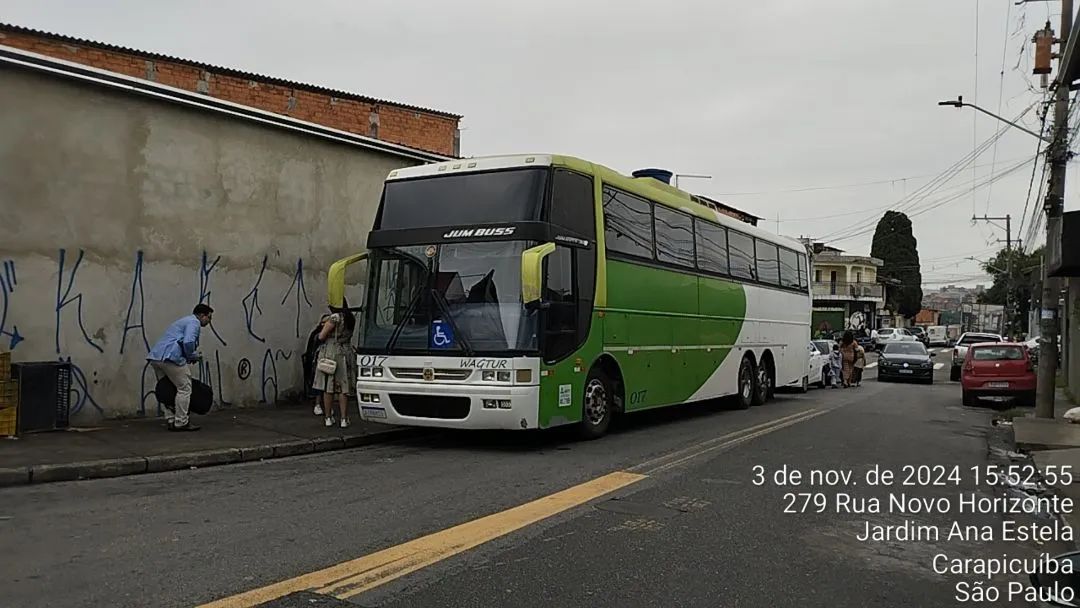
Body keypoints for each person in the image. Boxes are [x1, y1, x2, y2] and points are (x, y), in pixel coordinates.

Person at [147, 304, 213, 431]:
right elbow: (188, 342)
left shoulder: (184, 321)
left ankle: (171, 419)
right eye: (208, 318)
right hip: (170, 358)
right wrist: (191, 356)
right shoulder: (194, 322)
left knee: (166, 389)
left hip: (157, 357)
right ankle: (181, 422)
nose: (209, 321)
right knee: (185, 387)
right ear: (201, 315)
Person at [313, 300, 358, 428]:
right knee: (344, 388)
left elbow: (322, 336)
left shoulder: (334, 318)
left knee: (329, 387)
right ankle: (344, 418)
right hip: (346, 351)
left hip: (332, 352)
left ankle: (328, 417)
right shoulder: (350, 318)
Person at [303, 313, 331, 416]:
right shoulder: (317, 335)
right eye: (323, 323)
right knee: (320, 384)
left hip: (327, 361)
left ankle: (325, 405)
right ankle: (318, 404)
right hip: (318, 361)